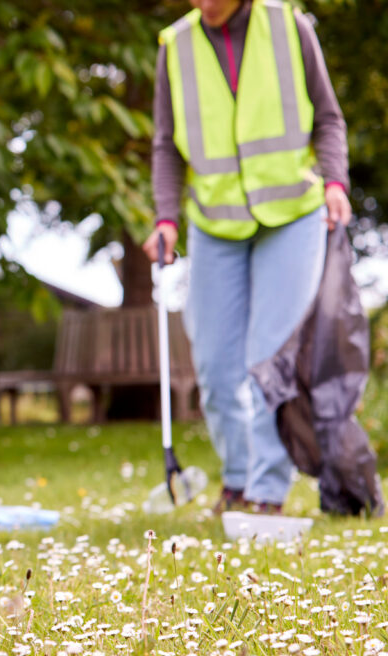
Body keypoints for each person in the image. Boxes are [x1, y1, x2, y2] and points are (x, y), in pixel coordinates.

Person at [142, 0, 351, 514]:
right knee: (213, 364)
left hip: (291, 214)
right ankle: (235, 478)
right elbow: (167, 145)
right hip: (215, 221)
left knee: (267, 358)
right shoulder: (176, 45)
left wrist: (334, 182)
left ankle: (265, 492)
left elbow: (327, 118)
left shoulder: (290, 26)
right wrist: (166, 217)